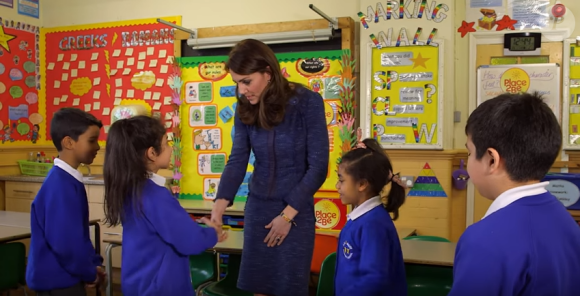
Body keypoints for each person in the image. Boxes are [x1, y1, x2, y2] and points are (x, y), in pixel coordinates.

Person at [211, 39, 329, 296]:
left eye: (246, 81)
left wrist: (287, 216)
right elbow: (238, 158)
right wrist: (219, 207)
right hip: (259, 209)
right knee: (259, 288)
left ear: (267, 73)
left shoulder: (306, 102)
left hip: (295, 213)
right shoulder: (245, 106)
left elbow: (319, 167)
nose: (242, 90)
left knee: (288, 288)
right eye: (236, 83)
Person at [449, 92, 580, 295]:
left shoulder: (484, 240)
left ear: (491, 159)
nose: (468, 162)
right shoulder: (565, 220)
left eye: (470, 153)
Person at [103, 116, 226, 296]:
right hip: (160, 288)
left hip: (138, 284)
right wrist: (212, 233)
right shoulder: (155, 195)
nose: (171, 148)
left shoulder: (131, 189)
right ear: (152, 153)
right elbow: (190, 240)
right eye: (167, 143)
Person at [26, 108, 105, 296]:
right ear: (69, 142)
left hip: (65, 279)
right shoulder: (60, 185)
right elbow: (66, 244)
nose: (98, 147)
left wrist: (93, 264)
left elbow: (78, 236)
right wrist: (89, 272)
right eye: (92, 140)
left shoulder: (67, 180)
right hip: (58, 283)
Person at [334, 130, 407, 296]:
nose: (337, 186)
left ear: (362, 184)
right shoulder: (361, 219)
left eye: (341, 180)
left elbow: (375, 278)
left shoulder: (373, 224)